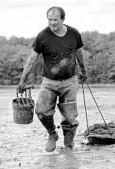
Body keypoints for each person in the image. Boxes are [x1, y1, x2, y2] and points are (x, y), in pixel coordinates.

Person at [17, 6, 87, 152]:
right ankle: (52, 133)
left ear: (63, 19)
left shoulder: (73, 33)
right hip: (49, 82)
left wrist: (83, 69)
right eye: (49, 19)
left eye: (55, 19)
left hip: (70, 81)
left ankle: (68, 145)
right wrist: (22, 80)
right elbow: (32, 59)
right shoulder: (43, 36)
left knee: (69, 116)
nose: (52, 23)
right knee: (41, 111)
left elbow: (79, 52)